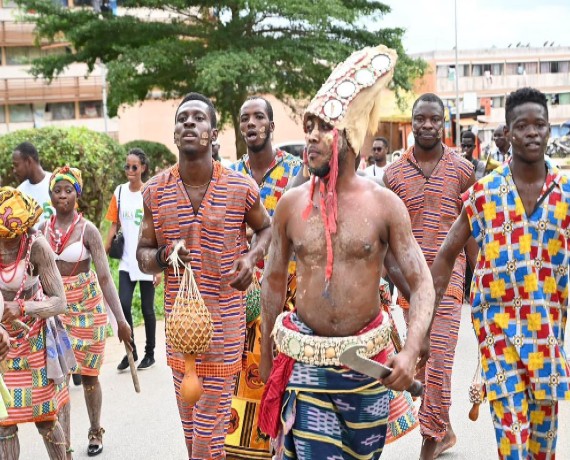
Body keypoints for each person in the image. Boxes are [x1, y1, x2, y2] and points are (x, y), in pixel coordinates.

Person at [258, 45, 435, 459]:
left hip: (368, 367)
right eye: (309, 127)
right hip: (307, 365)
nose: (312, 137)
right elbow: (272, 280)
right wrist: (267, 356)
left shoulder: (384, 204)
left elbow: (422, 282)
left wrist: (410, 350)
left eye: (324, 128)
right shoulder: (291, 204)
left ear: (349, 138)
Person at [430, 87, 570, 460]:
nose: (532, 132)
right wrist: (424, 324)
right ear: (507, 133)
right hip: (499, 340)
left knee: (543, 449)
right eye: (521, 125)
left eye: (540, 124)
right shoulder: (484, 195)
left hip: (546, 342)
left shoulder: (566, 194)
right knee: (513, 447)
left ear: (550, 130)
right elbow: (445, 257)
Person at [136, 92, 272, 459]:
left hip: (226, 324)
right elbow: (143, 256)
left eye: (199, 118)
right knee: (192, 427)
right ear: (175, 134)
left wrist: (252, 258)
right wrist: (164, 255)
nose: (190, 124)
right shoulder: (154, 192)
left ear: (214, 133)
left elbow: (266, 229)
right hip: (182, 331)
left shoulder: (241, 188)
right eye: (183, 119)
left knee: (206, 433)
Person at [383, 93, 476, 459]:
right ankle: (445, 428)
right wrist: (392, 287)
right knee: (421, 357)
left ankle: (431, 436)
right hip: (410, 283)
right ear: (412, 121)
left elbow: (473, 228)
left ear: (443, 122)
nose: (426, 125)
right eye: (419, 118)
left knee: (438, 355)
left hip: (450, 280)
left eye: (433, 119)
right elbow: (388, 238)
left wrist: (480, 277)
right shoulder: (393, 175)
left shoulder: (463, 169)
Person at [225, 96, 302, 459]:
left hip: (291, 297)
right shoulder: (228, 175)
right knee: (247, 387)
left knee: (289, 383)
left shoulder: (298, 170)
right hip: (245, 297)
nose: (252, 123)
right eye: (245, 118)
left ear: (272, 126)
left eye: (259, 117)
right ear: (240, 128)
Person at [40, 166, 132, 456]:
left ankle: (95, 430)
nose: (63, 195)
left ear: (77, 195)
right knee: (60, 379)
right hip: (56, 312)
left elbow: (105, 277)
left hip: (88, 311)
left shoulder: (88, 230)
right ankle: (63, 442)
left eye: (69, 190)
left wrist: (121, 320)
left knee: (90, 376)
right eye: (58, 190)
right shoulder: (42, 230)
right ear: (51, 195)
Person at [0, 187, 71, 459]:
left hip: (36, 340)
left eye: (10, 238)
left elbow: (59, 302)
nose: (5, 245)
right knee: (4, 424)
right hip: (3, 346)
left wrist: (22, 307)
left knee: (45, 418)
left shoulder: (36, 245)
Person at [105, 148, 161, 371]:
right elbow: (112, 226)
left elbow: (157, 229)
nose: (130, 170)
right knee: (124, 305)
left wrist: (158, 268)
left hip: (147, 260)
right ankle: (132, 351)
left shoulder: (150, 193)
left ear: (143, 168)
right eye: (127, 166)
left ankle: (150, 353)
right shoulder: (119, 192)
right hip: (127, 261)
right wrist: (103, 250)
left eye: (134, 167)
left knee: (147, 310)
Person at [12, 142, 54, 225]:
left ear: (28, 161)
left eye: (16, 165)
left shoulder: (55, 183)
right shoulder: (19, 193)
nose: (14, 170)